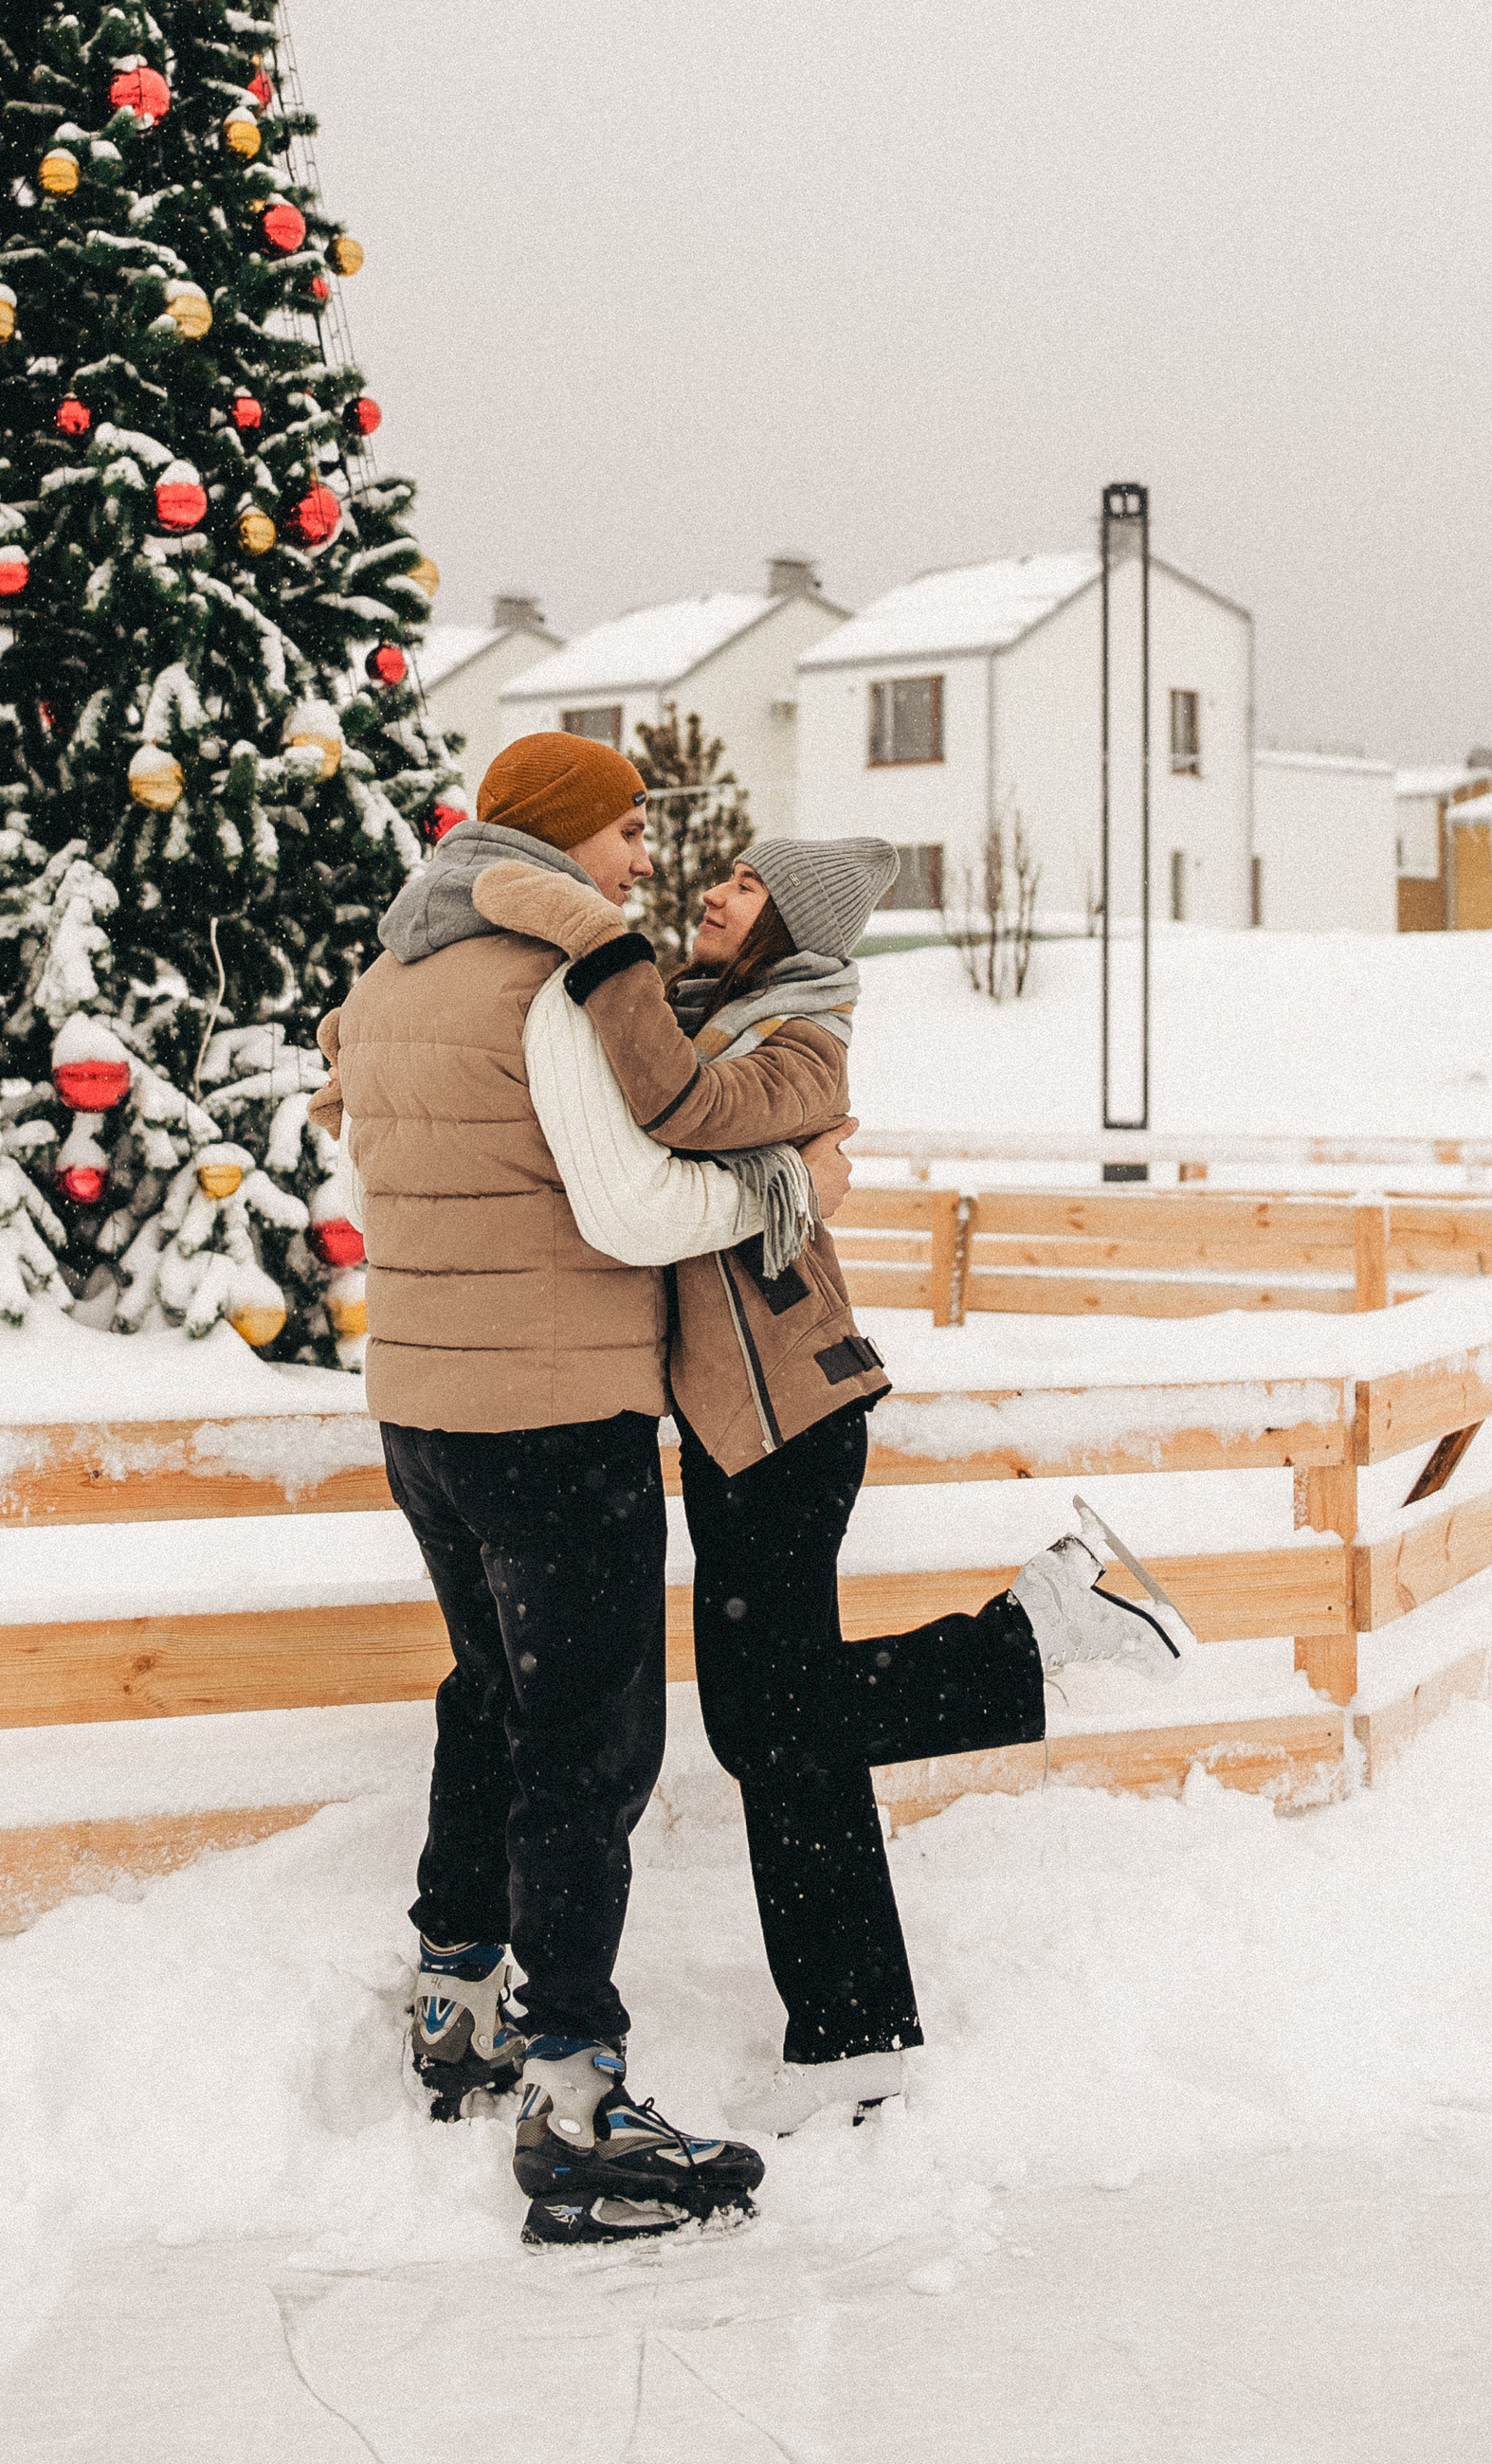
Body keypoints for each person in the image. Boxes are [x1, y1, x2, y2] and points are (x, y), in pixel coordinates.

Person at [468, 831, 1194, 2142]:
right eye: (722, 876)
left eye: (743, 888)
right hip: (736, 1427)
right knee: (784, 1729)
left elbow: (679, 1116)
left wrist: (599, 949)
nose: (712, 893)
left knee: (769, 1725)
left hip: (794, 1420)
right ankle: (852, 2039)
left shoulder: (801, 1045)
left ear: (788, 925)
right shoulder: (708, 1019)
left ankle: (1038, 1630)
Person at [315, 730, 857, 2250]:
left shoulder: (396, 976)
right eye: (626, 831)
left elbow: (382, 1178)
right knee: (588, 1742)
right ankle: (576, 2104)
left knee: (492, 1694)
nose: (641, 862)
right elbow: (625, 1209)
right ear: (559, 835)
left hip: (424, 1403)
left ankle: (458, 2001)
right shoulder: (546, 980)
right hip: (555, 1413)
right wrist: (787, 1179)